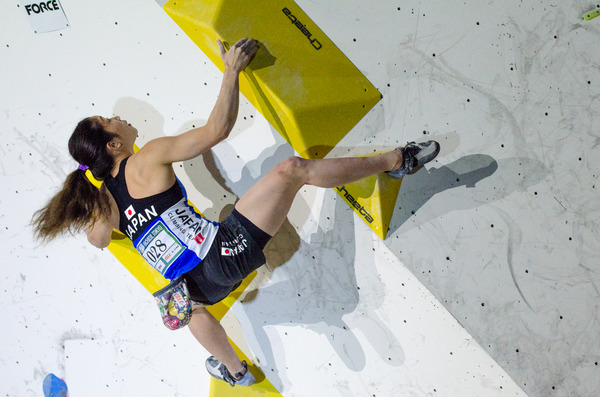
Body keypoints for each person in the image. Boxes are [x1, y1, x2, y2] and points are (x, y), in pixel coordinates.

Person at [32, 38, 440, 387]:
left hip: (203, 288)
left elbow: (97, 239)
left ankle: (234, 370)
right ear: (113, 145)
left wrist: (98, 197)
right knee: (293, 169)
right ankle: (396, 160)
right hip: (226, 250)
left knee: (182, 306)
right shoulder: (149, 156)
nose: (118, 118)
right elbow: (216, 131)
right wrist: (232, 71)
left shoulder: (106, 204)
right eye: (109, 121)